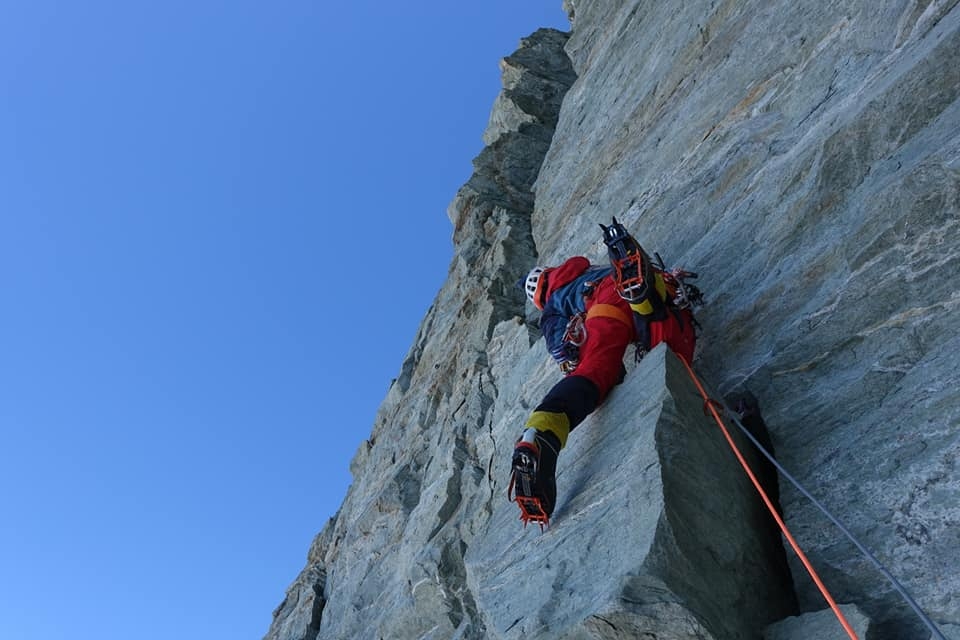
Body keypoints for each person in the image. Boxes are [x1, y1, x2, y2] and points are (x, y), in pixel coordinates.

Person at [509, 218, 701, 526]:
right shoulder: (581, 268)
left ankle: (541, 435)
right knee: (668, 342)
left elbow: (559, 346)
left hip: (602, 310)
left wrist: (569, 352)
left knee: (597, 371)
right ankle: (644, 300)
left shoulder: (551, 307)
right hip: (621, 281)